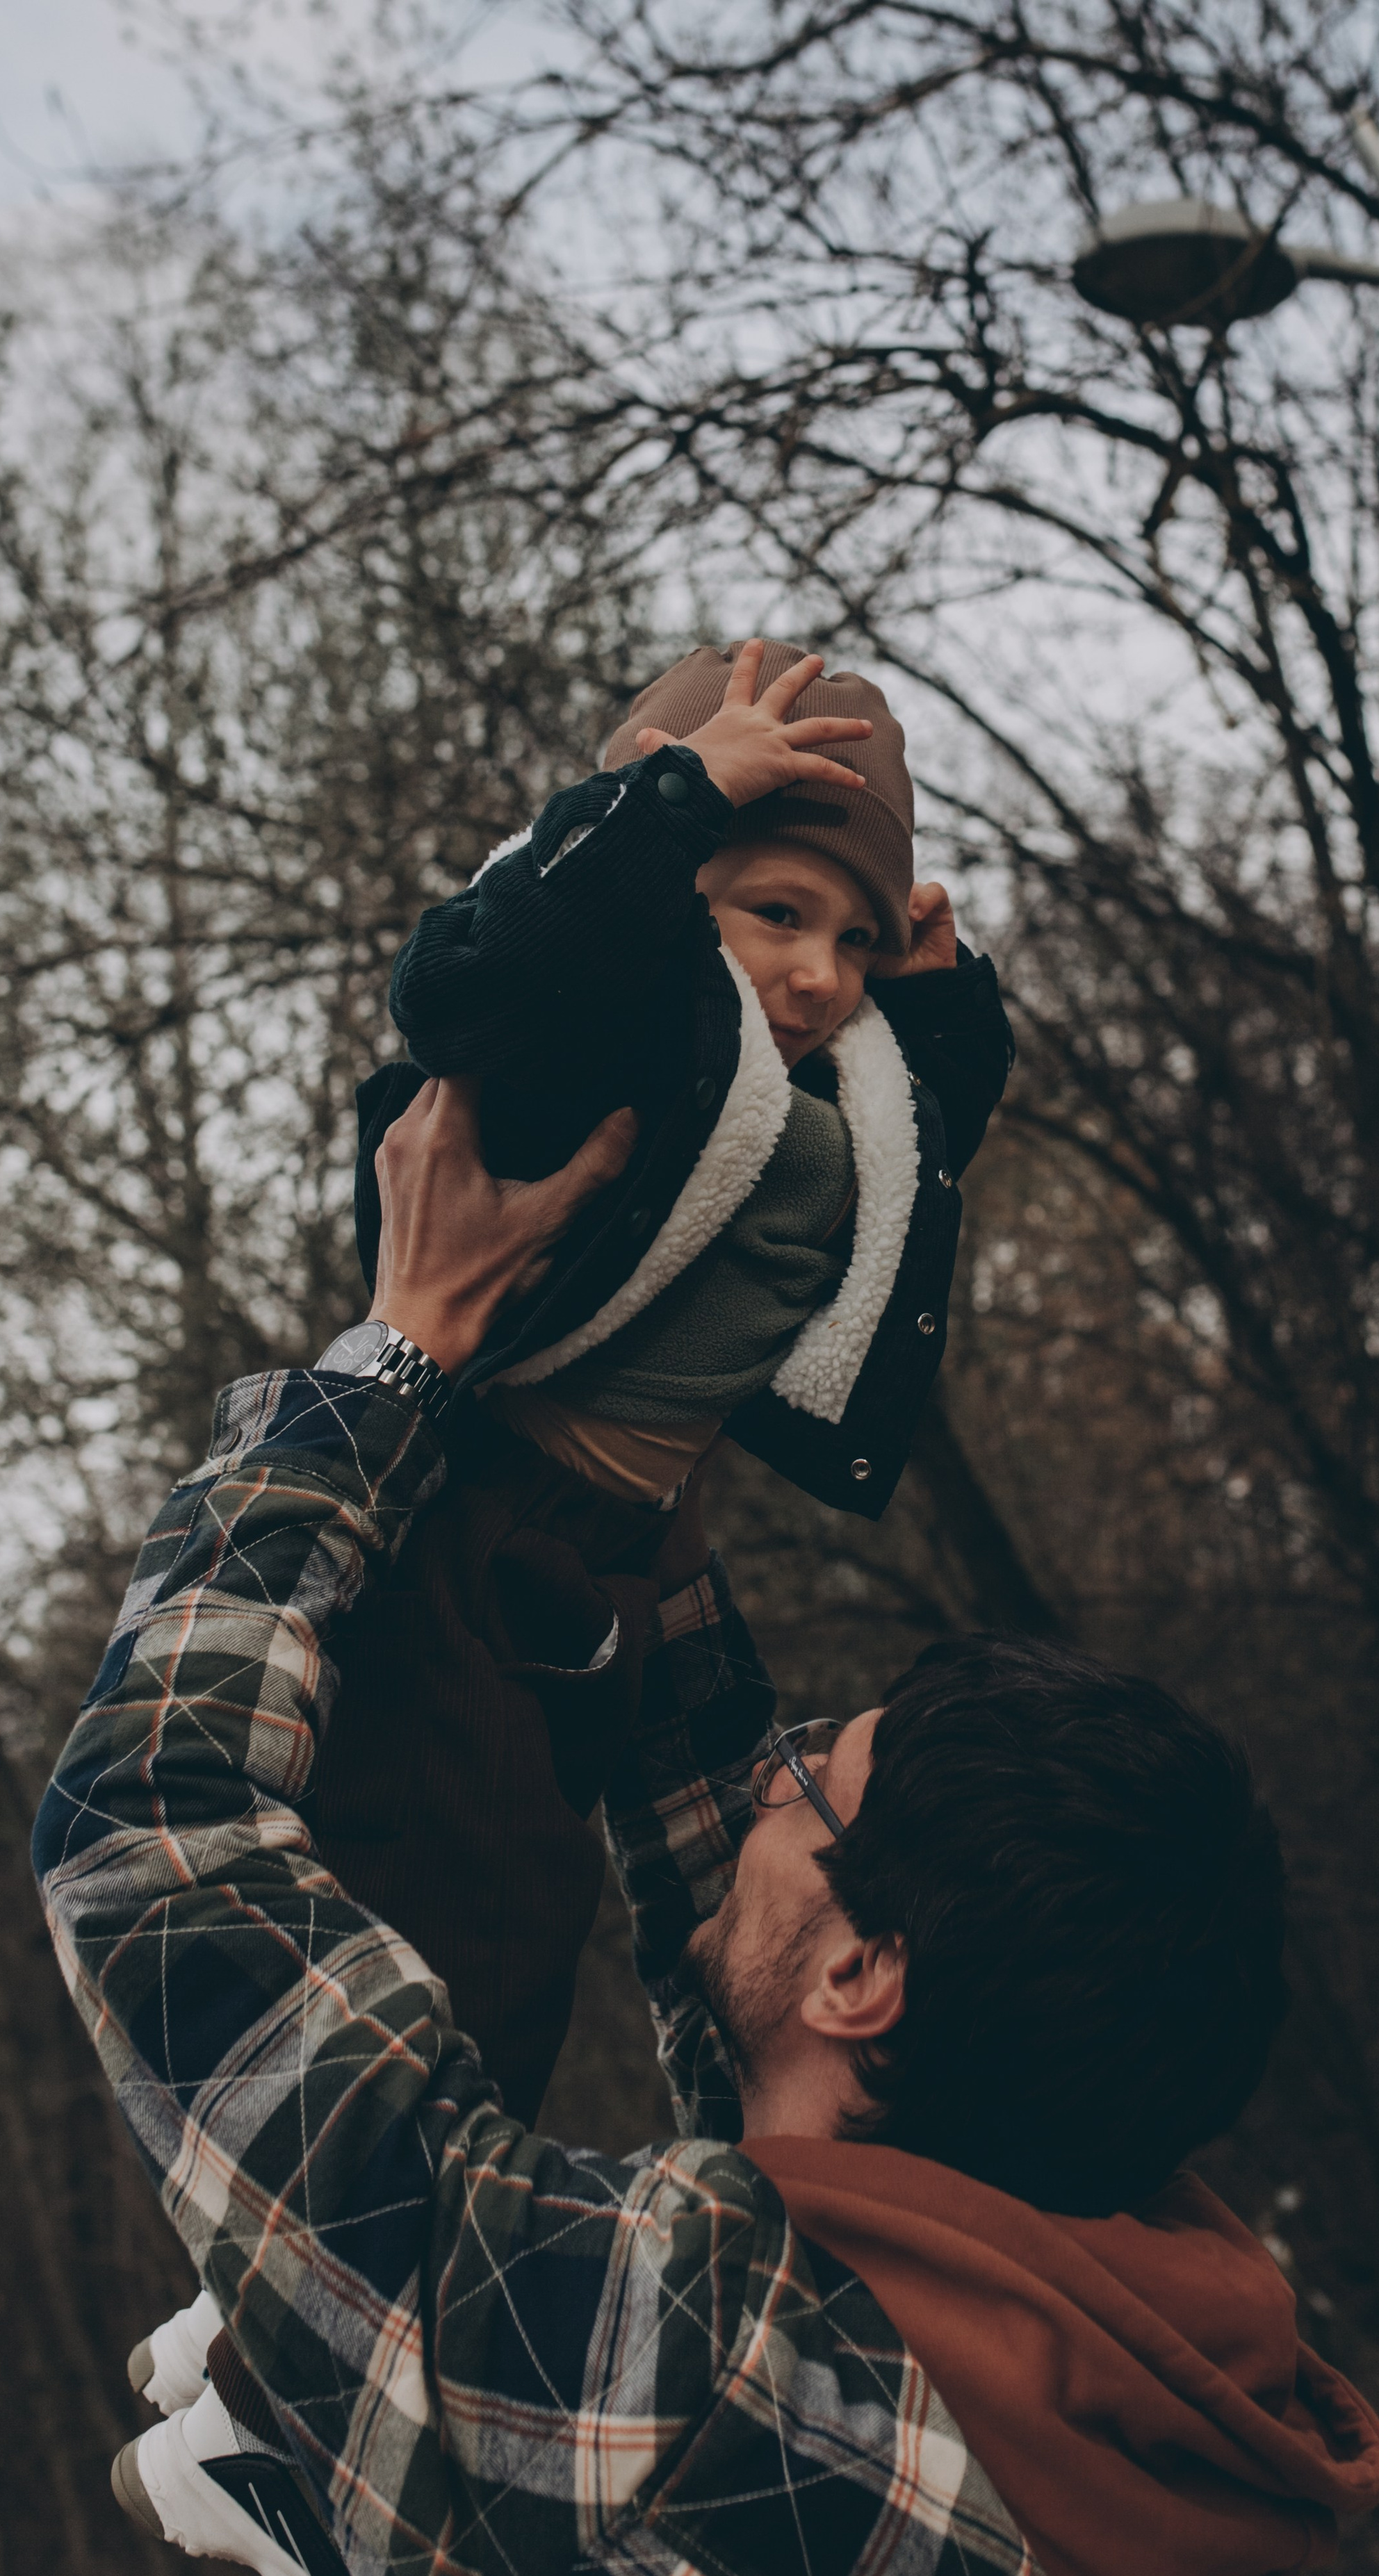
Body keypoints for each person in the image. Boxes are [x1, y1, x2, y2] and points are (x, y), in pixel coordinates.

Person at [35, 1072, 1379, 2576]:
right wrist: (639, 1494)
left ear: (860, 1974)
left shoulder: (660, 2382)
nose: (761, 1783)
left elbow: (151, 1845)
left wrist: (388, 1363)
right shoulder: (1135, 2399)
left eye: (804, 1784)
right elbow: (777, 2077)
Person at [307, 638, 1015, 2119]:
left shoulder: (813, 1083)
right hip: (485, 1529)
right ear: (665, 879)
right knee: (483, 1899)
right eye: (773, 913)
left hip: (646, 1548)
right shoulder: (607, 1024)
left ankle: (787, 2177)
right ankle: (368, 2219)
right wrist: (663, 801)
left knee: (715, 1874)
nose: (817, 977)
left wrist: (939, 1001)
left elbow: (915, 1157)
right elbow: (462, 982)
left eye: (852, 941)